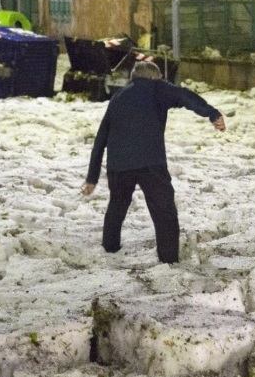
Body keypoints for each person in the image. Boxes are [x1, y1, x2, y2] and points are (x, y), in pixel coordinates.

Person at [82, 61, 225, 263]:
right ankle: (168, 259)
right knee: (164, 211)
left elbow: (101, 138)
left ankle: (110, 249)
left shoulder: (118, 97)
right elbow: (184, 96)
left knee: (117, 205)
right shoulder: (157, 88)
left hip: (119, 165)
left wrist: (92, 177)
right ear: (155, 77)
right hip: (150, 163)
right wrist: (212, 113)